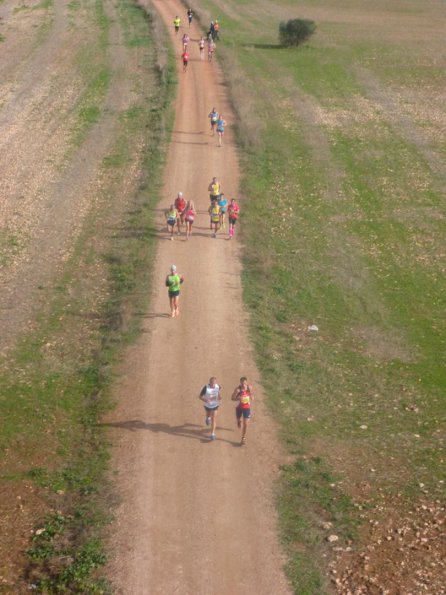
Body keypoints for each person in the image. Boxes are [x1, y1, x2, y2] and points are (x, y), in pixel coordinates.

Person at [231, 377, 253, 445]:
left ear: (247, 382)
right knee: (239, 420)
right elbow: (232, 398)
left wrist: (251, 394)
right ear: (240, 383)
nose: (244, 385)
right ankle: (238, 421)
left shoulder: (249, 388)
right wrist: (238, 398)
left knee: (245, 424)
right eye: (242, 383)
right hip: (239, 408)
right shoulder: (238, 390)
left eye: (245, 383)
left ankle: (243, 438)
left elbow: (252, 398)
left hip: (247, 408)